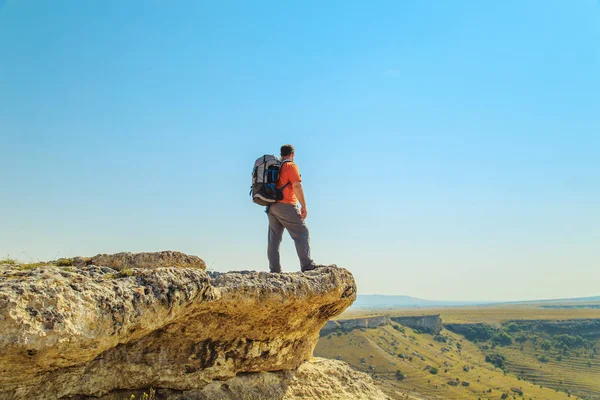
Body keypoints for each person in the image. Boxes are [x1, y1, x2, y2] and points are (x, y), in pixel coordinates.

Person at [267, 144, 330, 273]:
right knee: (302, 233)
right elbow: (296, 186)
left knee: (274, 238)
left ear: (281, 154)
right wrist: (304, 206)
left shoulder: (277, 167)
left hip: (271, 206)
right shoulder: (290, 166)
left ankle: (275, 270)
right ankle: (307, 265)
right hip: (286, 205)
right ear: (292, 154)